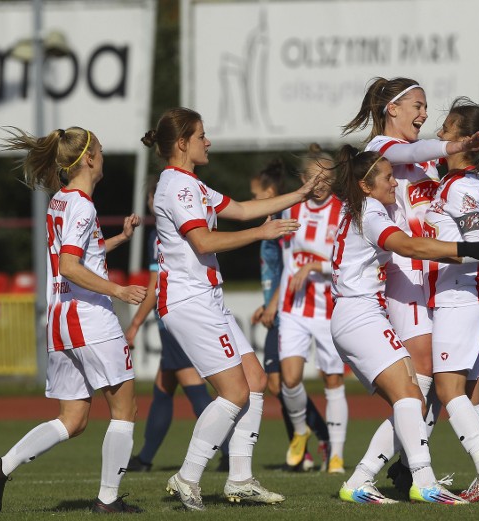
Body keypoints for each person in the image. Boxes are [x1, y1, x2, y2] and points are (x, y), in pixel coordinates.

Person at [341, 76, 479, 492]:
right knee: (424, 382)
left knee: (453, 389)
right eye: (418, 106)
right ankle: (390, 473)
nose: (425, 114)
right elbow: (430, 148)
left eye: (426, 108)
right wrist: (455, 145)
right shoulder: (381, 150)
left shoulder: (427, 162)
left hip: (437, 277)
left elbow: (472, 145)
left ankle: (423, 469)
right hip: (406, 277)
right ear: (392, 110)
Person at [142, 107, 320, 510]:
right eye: (202, 135)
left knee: (255, 380)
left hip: (207, 298)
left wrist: (299, 195)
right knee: (235, 391)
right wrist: (262, 232)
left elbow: (239, 209)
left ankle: (239, 480)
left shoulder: (192, 184)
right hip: (188, 301)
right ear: (183, 143)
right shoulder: (178, 187)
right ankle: (187, 476)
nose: (209, 142)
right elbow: (203, 242)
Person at [0, 126, 148, 513]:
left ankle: (1, 467)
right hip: (87, 318)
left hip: (59, 317)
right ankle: (107, 501)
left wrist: (118, 240)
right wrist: (119, 291)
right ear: (88, 159)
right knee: (125, 410)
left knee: (73, 419)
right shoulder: (83, 205)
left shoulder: (61, 200)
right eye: (101, 151)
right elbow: (71, 267)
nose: (103, 156)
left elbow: (75, 256)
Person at [330, 145, 479, 504]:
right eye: (386, 177)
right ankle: (424, 482)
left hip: (355, 314)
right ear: (366, 185)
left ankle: (360, 480)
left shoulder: (360, 207)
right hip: (360, 313)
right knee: (413, 395)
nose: (394, 182)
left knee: (411, 400)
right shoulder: (372, 211)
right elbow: (409, 246)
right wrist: (468, 249)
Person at [424, 98, 479, 502]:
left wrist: (421, 248)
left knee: (447, 391)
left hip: (461, 296)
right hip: (457, 295)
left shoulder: (464, 187)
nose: (438, 135)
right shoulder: (451, 183)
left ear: (463, 140)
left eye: (445, 129)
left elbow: (474, 247)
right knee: (470, 394)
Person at [124, 176, 223, 473]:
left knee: (196, 390)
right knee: (164, 389)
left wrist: (135, 325)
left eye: (155, 198)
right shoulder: (162, 231)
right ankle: (145, 458)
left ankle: (228, 450)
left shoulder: (161, 234)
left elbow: (155, 286)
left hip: (175, 319)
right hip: (176, 318)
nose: (153, 204)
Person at [249, 158, 330, 471]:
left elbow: (289, 265)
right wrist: (265, 302)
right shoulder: (271, 223)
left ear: (269, 192)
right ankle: (304, 447)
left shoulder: (285, 219)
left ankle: (314, 442)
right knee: (277, 384)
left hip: (291, 309)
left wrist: (273, 304)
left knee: (281, 382)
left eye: (256, 195)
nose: (254, 201)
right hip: (277, 308)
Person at [277, 144, 347, 473]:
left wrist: (315, 267)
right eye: (316, 177)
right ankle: (301, 431)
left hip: (330, 309)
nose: (322, 182)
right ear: (304, 178)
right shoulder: (291, 210)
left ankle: (336, 455)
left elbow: (346, 263)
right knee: (289, 380)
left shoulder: (344, 212)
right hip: (294, 307)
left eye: (328, 176)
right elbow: (284, 258)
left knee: (332, 379)